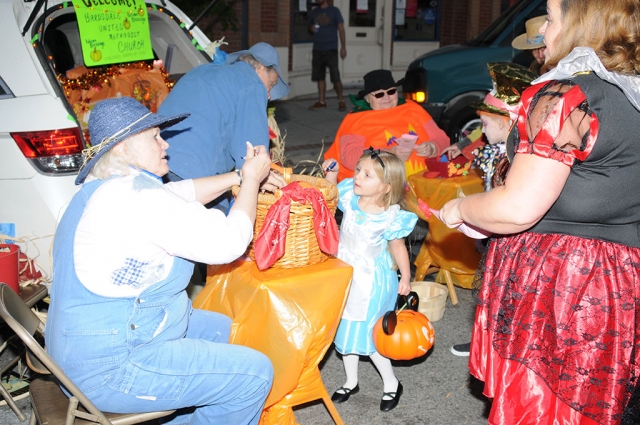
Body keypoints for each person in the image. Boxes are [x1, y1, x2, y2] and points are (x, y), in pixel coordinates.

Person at [439, 0, 640, 423]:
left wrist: (460, 207)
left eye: (550, 18)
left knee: (543, 408)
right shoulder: (628, 91)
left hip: (564, 284)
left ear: (580, 23)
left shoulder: (568, 94)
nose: (544, 31)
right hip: (616, 279)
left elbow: (517, 208)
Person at [46, 97, 282, 425]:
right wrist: (253, 181)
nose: (165, 143)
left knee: (219, 329)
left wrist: (236, 180)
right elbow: (229, 243)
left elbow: (181, 194)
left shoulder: (106, 187)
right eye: (154, 137)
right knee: (254, 375)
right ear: (122, 149)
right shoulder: (137, 200)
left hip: (81, 353)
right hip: (109, 369)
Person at [442, 63, 535, 357]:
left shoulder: (514, 158)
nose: (481, 130)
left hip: (510, 237)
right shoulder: (495, 148)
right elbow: (478, 142)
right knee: (493, 290)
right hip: (494, 232)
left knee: (505, 291)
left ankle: (498, 345)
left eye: (485, 123)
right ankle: (488, 341)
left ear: (508, 123)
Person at [322, 148, 418, 412]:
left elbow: (398, 247)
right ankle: (351, 380)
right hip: (344, 273)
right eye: (358, 171)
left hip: (371, 280)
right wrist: (330, 176)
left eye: (367, 175)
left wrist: (406, 276)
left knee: (373, 334)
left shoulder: (391, 216)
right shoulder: (350, 196)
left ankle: (391, 383)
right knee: (345, 328)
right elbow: (331, 196)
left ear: (386, 187)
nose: (358, 177)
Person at [158, 42, 289, 211]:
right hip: (194, 173)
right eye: (271, 85)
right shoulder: (253, 84)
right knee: (224, 230)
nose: (269, 95)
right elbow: (254, 156)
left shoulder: (204, 70)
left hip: (158, 161)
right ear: (260, 69)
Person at [324, 69, 449, 183]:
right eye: (379, 94)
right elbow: (349, 157)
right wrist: (387, 153)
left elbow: (442, 139)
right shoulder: (356, 119)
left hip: (425, 183)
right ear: (367, 98)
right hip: (381, 191)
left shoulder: (412, 108)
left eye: (391, 91)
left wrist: (432, 147)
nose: (387, 98)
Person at [308, 0, 347, 111]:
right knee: (320, 76)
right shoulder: (314, 12)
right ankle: (322, 101)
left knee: (335, 76)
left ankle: (341, 101)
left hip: (331, 48)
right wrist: (311, 28)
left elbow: (341, 28)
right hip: (318, 48)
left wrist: (343, 47)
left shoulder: (334, 11)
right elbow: (310, 26)